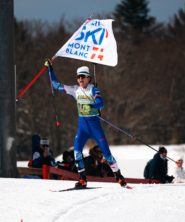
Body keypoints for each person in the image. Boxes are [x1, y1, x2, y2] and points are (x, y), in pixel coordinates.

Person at [45, 60, 127, 188]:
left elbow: (101, 103)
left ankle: (118, 176)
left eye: (82, 76)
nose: (80, 79)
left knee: (106, 153)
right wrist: (50, 69)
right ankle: (83, 179)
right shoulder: (75, 90)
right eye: (78, 77)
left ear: (88, 78)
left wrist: (90, 106)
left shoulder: (93, 89)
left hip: (95, 126)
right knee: (77, 152)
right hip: (82, 127)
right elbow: (56, 85)